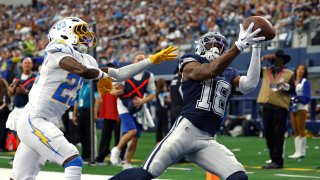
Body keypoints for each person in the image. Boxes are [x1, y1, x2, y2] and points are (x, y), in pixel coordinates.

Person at [10, 17, 178, 180]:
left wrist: (150, 61)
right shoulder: (58, 52)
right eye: (80, 31)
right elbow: (80, 69)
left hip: (46, 120)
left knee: (20, 177)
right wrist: (102, 75)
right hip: (35, 119)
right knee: (72, 158)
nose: (86, 36)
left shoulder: (85, 59)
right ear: (64, 33)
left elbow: (118, 74)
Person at [110, 22, 265, 180]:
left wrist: (256, 48)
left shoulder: (230, 72)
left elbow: (250, 85)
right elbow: (208, 71)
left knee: (238, 177)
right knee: (147, 172)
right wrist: (238, 46)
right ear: (201, 46)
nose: (215, 48)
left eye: (219, 46)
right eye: (210, 44)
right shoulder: (190, 60)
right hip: (185, 131)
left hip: (207, 138)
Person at [110, 52, 156, 170]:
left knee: (136, 137)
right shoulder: (125, 73)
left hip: (138, 107)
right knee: (132, 131)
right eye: (138, 59)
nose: (140, 61)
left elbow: (152, 94)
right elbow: (111, 91)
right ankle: (117, 149)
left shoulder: (149, 76)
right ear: (133, 62)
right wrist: (118, 91)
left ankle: (127, 163)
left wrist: (142, 101)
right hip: (123, 105)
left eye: (143, 59)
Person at [257, 50, 293, 169]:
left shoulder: (289, 74)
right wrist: (262, 59)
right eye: (275, 58)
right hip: (266, 107)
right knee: (268, 134)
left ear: (283, 61)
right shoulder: (266, 71)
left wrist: (284, 86)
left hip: (280, 108)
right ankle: (274, 159)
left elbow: (293, 89)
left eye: (279, 59)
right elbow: (252, 70)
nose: (276, 61)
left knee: (278, 135)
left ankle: (277, 161)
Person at [94, 63, 124, 164]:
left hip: (118, 114)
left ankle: (119, 157)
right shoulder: (103, 82)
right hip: (107, 114)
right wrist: (95, 113)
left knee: (118, 137)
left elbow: (118, 94)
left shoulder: (121, 82)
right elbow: (98, 98)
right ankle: (101, 156)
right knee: (104, 137)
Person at [6, 57, 37, 144]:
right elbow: (10, 93)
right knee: (18, 132)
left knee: (27, 133)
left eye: (29, 63)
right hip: (17, 108)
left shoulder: (35, 78)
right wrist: (11, 90)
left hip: (28, 109)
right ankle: (19, 154)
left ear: (32, 65)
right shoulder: (17, 77)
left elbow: (37, 94)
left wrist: (25, 91)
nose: (27, 64)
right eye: (25, 63)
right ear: (22, 65)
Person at [288, 64, 311, 159]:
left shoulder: (305, 82)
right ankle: (297, 151)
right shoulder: (292, 81)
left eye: (302, 69)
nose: (300, 70)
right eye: (298, 68)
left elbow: (307, 97)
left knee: (301, 128)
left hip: (301, 107)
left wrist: (297, 98)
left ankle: (302, 152)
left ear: (304, 71)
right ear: (296, 70)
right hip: (293, 106)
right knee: (295, 129)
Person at [72, 79, 94, 162]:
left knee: (89, 134)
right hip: (80, 112)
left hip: (89, 111)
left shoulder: (91, 84)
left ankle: (90, 155)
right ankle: (84, 154)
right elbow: (76, 101)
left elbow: (97, 98)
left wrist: (95, 113)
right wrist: (74, 114)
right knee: (82, 134)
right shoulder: (80, 86)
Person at [155, 78, 170, 143]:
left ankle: (158, 140)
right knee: (165, 125)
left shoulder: (157, 92)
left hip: (158, 109)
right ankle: (166, 139)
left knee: (160, 125)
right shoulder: (163, 92)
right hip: (163, 109)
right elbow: (167, 100)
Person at [0, 77, 10, 152]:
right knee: (3, 129)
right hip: (3, 111)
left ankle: (2, 146)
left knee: (3, 129)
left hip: (3, 111)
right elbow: (6, 102)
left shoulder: (4, 91)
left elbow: (6, 102)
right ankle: (2, 146)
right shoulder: (5, 90)